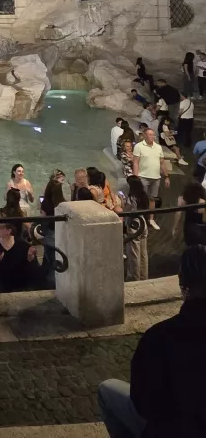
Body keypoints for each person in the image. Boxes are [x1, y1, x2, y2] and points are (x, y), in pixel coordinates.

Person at [98, 244, 206, 437]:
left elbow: (144, 404)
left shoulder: (160, 336)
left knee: (107, 390)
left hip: (173, 429)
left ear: (182, 283)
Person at [132, 127, 170, 231]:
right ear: (144, 135)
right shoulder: (139, 146)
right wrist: (136, 177)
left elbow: (162, 162)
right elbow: (135, 162)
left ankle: (151, 219)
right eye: (150, 134)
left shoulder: (158, 147)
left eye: (153, 135)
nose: (152, 136)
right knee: (140, 199)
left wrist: (166, 176)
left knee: (152, 199)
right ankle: (138, 218)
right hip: (143, 176)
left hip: (156, 177)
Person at [0, 222, 40, 293]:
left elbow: (29, 262)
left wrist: (30, 256)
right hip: (1, 279)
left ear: (8, 231)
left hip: (18, 281)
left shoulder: (22, 244)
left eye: (0, 228)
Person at [40, 170, 67, 287]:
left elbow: (43, 218)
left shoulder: (45, 202)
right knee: (59, 257)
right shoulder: (62, 204)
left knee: (49, 258)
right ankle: (58, 283)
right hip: (61, 233)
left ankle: (49, 283)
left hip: (50, 233)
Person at [123, 176, 149, 282]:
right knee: (143, 253)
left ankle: (134, 278)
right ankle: (144, 277)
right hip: (143, 223)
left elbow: (127, 211)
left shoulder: (131, 197)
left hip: (134, 224)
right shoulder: (143, 195)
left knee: (134, 254)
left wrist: (122, 201)